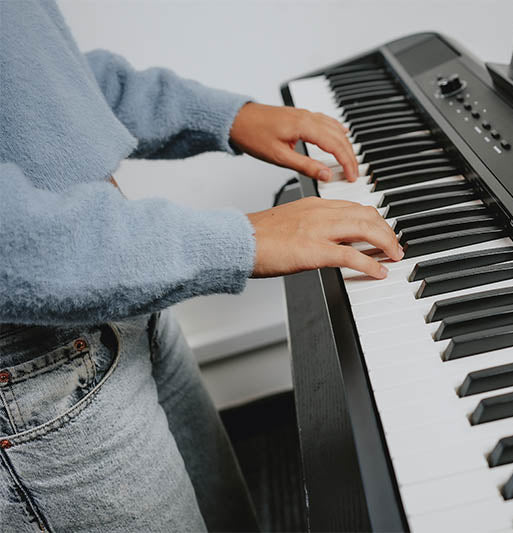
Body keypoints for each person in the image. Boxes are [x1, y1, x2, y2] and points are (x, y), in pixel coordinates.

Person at [0, 1, 402, 531]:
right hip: (30, 376)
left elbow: (36, 75)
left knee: (229, 517)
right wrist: (237, 239)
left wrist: (224, 116)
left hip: (117, 288)